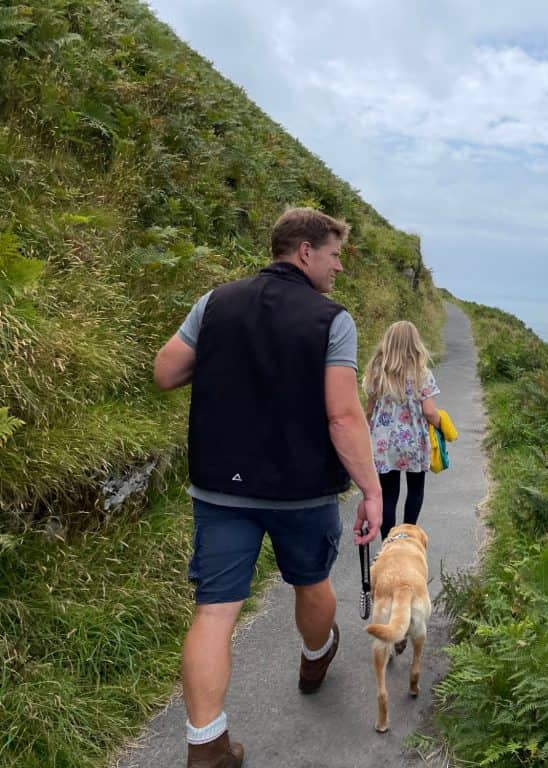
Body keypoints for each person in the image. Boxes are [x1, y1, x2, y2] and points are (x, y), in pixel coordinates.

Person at [153, 207, 383, 768]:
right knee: (310, 583)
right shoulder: (333, 320)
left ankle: (206, 743)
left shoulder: (215, 303)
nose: (337, 269)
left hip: (220, 489)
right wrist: (372, 492)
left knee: (214, 613)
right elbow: (344, 418)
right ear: (305, 251)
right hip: (300, 492)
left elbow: (165, 372)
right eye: (333, 255)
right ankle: (314, 655)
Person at [362, 321, 442, 540]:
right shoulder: (422, 374)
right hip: (414, 440)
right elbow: (430, 412)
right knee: (415, 490)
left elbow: (369, 409)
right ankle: (406, 538)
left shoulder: (377, 373)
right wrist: (442, 426)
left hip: (384, 441)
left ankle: (388, 542)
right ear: (415, 344)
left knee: (388, 495)